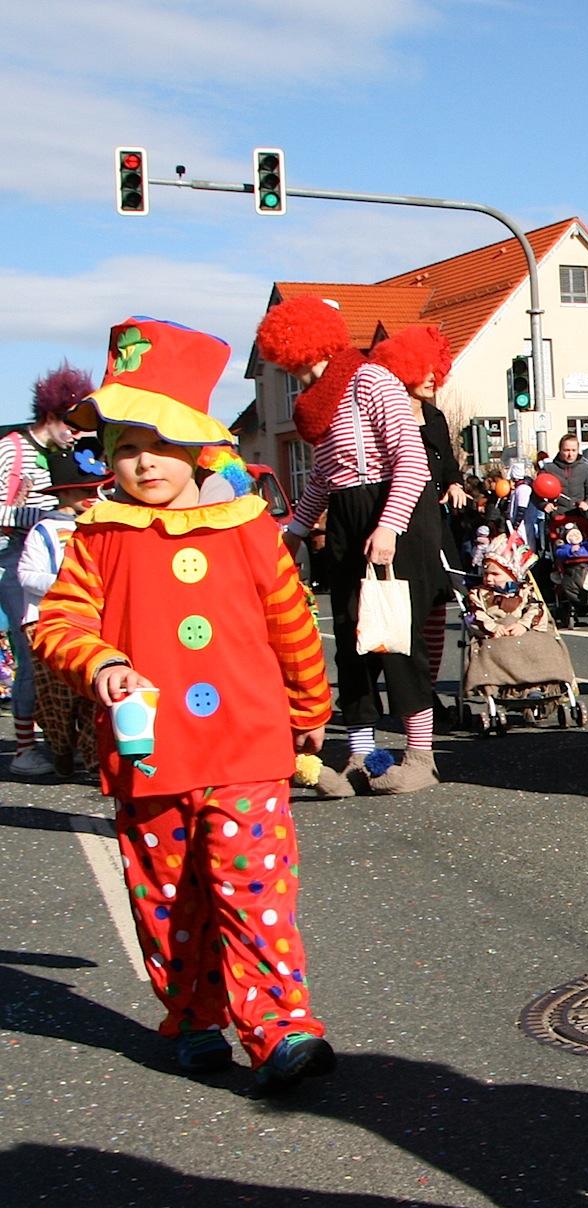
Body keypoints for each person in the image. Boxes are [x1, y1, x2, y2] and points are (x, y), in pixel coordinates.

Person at [33, 317, 336, 1093]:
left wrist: (309, 712)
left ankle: (280, 1028)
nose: (142, 463)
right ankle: (193, 1015)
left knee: (254, 892)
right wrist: (98, 661)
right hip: (151, 755)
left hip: (247, 746)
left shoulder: (245, 528)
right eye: (125, 447)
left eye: (158, 444)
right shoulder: (99, 536)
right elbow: (60, 624)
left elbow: (292, 624)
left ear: (196, 447)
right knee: (169, 901)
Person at [257, 297, 437, 794]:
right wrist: (292, 532)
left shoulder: (372, 380)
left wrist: (389, 526)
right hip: (346, 515)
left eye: (297, 361)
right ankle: (362, 752)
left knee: (395, 640)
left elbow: (412, 461)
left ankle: (420, 757)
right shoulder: (319, 403)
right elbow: (323, 476)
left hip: (390, 512)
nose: (297, 373)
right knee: (351, 642)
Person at [370, 325, 467, 724]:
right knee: (385, 610)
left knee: (432, 609)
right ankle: (380, 689)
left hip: (431, 523)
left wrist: (456, 484)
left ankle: (424, 691)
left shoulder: (435, 417)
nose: (432, 377)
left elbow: (447, 464)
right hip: (393, 519)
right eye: (423, 368)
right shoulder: (383, 413)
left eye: (436, 370)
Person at [1, 362, 94, 776]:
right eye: (70, 424)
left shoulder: (62, 456)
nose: (75, 434)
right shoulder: (12, 449)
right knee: (29, 652)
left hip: (47, 553)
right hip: (11, 558)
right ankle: (24, 749)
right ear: (51, 414)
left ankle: (60, 741)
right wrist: (46, 516)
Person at [18, 439, 111, 776]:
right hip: (43, 623)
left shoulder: (97, 526)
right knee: (57, 697)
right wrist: (65, 583)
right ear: (63, 494)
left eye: (95, 488)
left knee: (90, 692)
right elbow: (26, 575)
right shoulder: (45, 530)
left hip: (86, 620)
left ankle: (93, 757)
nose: (92, 495)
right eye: (82, 489)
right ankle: (60, 749)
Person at [541, 434, 588, 515]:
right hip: (555, 516)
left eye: (574, 450)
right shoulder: (549, 469)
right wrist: (544, 505)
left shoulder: (585, 469)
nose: (570, 454)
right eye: (566, 450)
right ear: (560, 450)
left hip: (579, 516)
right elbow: (535, 495)